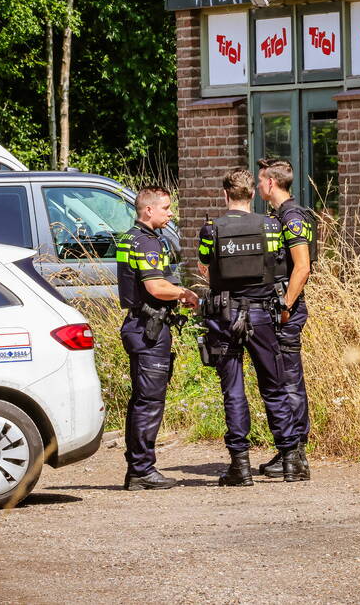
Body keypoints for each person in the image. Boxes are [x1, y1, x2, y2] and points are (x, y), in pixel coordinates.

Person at [197, 168, 305, 484]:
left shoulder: (211, 229)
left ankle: (240, 466)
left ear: (225, 195)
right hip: (263, 316)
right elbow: (278, 266)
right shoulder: (271, 227)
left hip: (225, 316)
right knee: (274, 386)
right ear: (253, 195)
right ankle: (290, 460)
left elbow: (204, 265)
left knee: (233, 390)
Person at [116, 185, 199, 491]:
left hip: (138, 325)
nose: (171, 212)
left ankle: (138, 468)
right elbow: (155, 287)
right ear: (148, 210)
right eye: (166, 207)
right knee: (149, 402)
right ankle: (141, 470)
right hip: (148, 329)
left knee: (141, 401)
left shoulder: (129, 237)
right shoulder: (147, 242)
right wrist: (185, 293)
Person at [256, 157, 312, 481]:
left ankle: (297, 453)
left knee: (289, 379)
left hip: (286, 310)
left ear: (271, 183)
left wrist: (286, 305)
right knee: (281, 378)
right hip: (279, 307)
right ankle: (287, 449)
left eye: (261, 180)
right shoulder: (278, 215)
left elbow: (302, 267)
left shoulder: (291, 217)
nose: (258, 185)